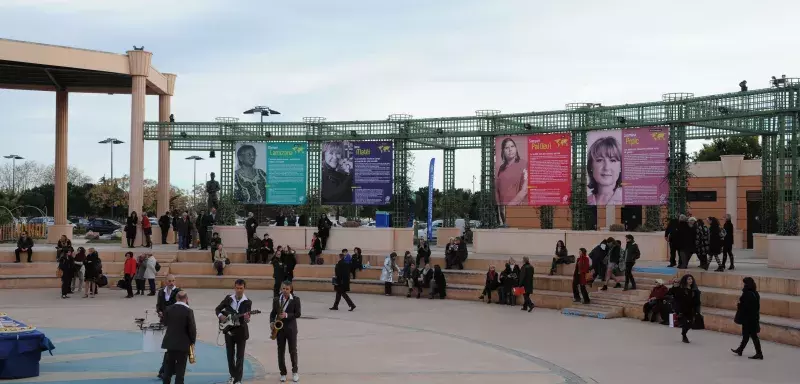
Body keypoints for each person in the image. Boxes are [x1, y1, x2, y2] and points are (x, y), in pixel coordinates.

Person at [216, 279, 253, 384]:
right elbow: (218, 309)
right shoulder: (228, 299)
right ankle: (233, 376)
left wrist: (247, 318)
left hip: (241, 331)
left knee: (240, 357)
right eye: (237, 288)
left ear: (244, 288)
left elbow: (247, 318)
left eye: (241, 288)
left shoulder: (247, 302)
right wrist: (221, 316)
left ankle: (238, 379)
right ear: (234, 288)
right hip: (229, 330)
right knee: (230, 355)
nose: (239, 290)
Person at [161, 291, 196, 384]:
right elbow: (192, 329)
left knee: (168, 369)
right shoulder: (188, 311)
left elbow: (164, 322)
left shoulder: (168, 309)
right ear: (186, 299)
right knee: (180, 371)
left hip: (170, 343)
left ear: (176, 298)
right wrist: (192, 342)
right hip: (183, 344)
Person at [271, 281, 301, 383]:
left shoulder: (295, 300)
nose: (285, 291)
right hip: (279, 330)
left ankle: (295, 372)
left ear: (290, 289)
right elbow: (273, 313)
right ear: (281, 288)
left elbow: (298, 314)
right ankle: (283, 373)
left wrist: (287, 315)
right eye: (283, 288)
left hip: (291, 329)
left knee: (293, 350)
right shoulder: (276, 300)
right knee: (280, 351)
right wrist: (271, 322)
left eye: (287, 289)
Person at [156, 275, 182, 380]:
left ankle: (164, 371)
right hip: (165, 322)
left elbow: (183, 307)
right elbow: (158, 305)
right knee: (170, 348)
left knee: (170, 348)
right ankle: (170, 369)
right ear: (166, 281)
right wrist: (159, 312)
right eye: (169, 281)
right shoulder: (161, 292)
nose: (171, 283)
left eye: (173, 281)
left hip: (175, 323)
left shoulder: (179, 292)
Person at [586, 135, 622, 205]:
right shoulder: (583, 202)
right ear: (591, 166)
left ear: (621, 167)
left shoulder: (630, 201)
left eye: (613, 160)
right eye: (600, 160)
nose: (606, 167)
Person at [732, 277, 763, 359]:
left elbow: (745, 306)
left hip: (748, 319)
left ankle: (759, 353)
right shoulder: (755, 293)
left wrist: (739, 305)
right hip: (753, 318)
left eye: (745, 283)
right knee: (747, 335)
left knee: (753, 336)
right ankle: (740, 350)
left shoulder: (747, 294)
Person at [495, 137, 528, 205]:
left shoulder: (524, 164)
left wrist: (508, 207)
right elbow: (497, 190)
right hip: (502, 207)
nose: (510, 149)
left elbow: (524, 190)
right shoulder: (501, 168)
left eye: (512, 146)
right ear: (503, 151)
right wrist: (499, 207)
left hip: (517, 208)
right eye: (506, 148)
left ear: (516, 148)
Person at [674, 274, 701, 343]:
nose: (690, 280)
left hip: (691, 309)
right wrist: (678, 310)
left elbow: (698, 301)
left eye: (691, 279)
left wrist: (697, 310)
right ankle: (684, 336)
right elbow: (677, 299)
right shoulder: (681, 289)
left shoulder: (695, 290)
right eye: (688, 279)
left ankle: (683, 333)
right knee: (685, 323)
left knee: (690, 324)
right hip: (683, 310)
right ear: (685, 280)